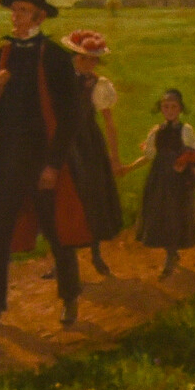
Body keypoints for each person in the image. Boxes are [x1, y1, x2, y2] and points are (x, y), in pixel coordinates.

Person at [0, 0, 118, 333]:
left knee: (57, 231)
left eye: (22, 11)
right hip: (6, 160)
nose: (15, 16)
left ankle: (69, 298)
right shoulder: (2, 55)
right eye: (14, 10)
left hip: (44, 160)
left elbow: (70, 118)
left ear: (40, 17)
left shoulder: (53, 57)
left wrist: (53, 164)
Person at [55, 29, 125, 279]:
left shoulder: (99, 85)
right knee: (62, 199)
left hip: (87, 145)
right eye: (84, 58)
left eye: (93, 59)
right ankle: (62, 260)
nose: (89, 64)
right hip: (61, 144)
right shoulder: (59, 82)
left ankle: (96, 253)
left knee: (91, 196)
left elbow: (109, 123)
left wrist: (115, 157)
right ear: (74, 57)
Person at [128, 88, 195, 278]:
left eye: (173, 107)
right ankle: (170, 253)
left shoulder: (185, 130)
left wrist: (184, 161)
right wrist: (127, 168)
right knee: (160, 213)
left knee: (175, 214)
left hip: (178, 180)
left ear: (180, 109)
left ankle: (171, 256)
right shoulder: (156, 132)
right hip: (160, 178)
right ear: (161, 109)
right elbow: (149, 156)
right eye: (165, 107)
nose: (169, 110)